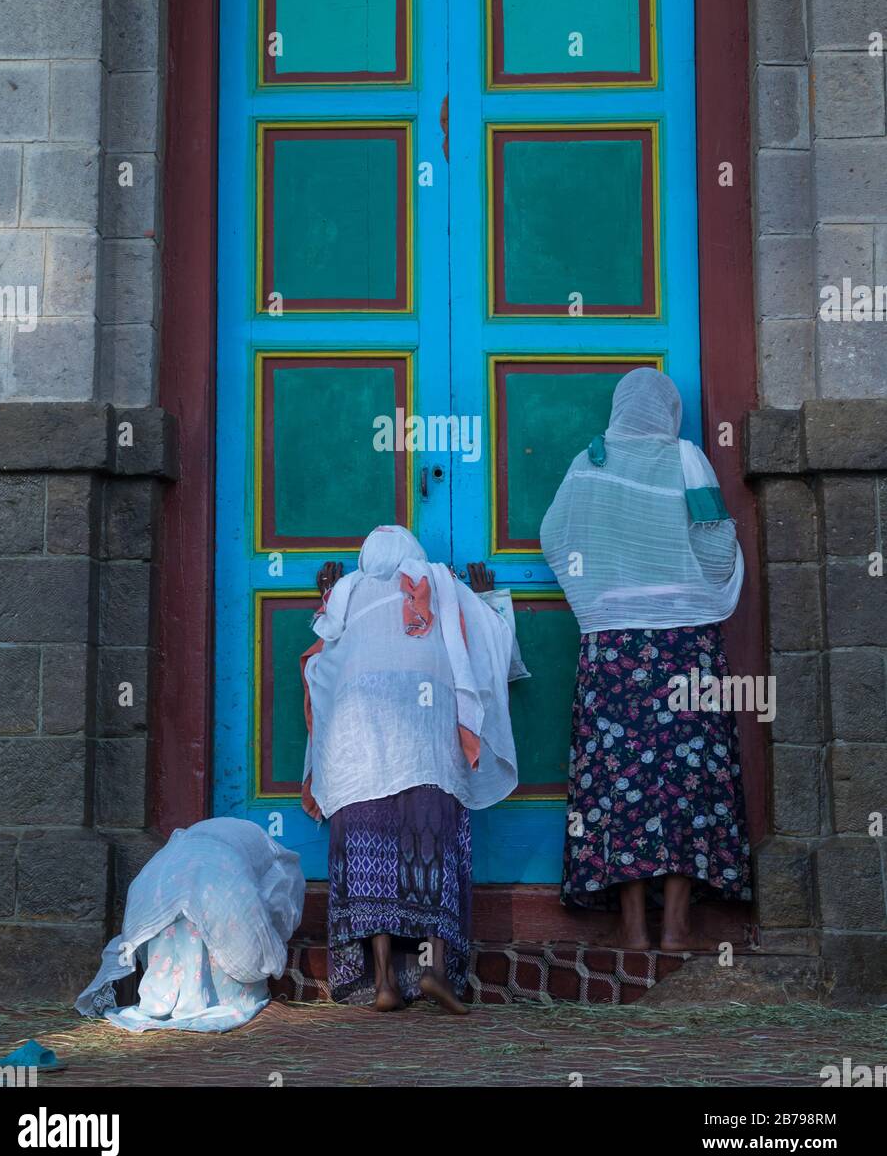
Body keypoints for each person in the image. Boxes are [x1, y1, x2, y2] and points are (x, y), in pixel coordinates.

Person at [540, 368, 752, 953]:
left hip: (611, 650)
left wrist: (602, 593)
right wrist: (687, 588)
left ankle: (632, 928)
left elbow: (553, 536)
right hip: (685, 646)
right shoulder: (686, 459)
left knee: (617, 781)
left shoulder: (589, 464)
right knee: (688, 781)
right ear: (669, 411)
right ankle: (678, 928)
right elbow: (713, 541)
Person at [299, 525, 518, 1013]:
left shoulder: (349, 596)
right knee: (432, 850)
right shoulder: (440, 582)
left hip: (362, 755)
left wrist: (326, 597)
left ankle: (383, 983)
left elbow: (321, 665)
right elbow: (492, 642)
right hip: (428, 749)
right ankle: (435, 971)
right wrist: (489, 598)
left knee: (372, 861)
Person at [76, 817, 305, 1032]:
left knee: (177, 918)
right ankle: (218, 998)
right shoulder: (279, 862)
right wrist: (270, 945)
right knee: (223, 916)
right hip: (220, 873)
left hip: (161, 876)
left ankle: (168, 999)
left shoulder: (193, 843)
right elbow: (279, 907)